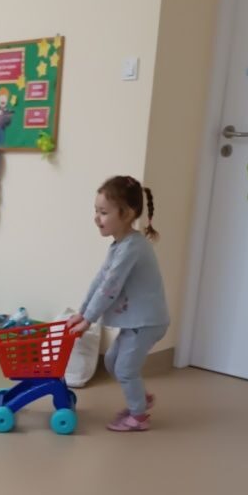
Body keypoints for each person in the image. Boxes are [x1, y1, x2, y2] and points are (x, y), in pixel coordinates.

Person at [68, 176, 169, 432]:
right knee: (112, 362)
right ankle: (140, 399)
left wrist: (89, 320)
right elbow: (100, 280)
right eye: (96, 211)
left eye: (103, 212)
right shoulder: (119, 245)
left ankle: (139, 417)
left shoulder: (133, 248)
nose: (96, 218)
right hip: (136, 321)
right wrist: (82, 313)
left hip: (147, 322)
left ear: (127, 214)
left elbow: (110, 288)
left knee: (125, 369)